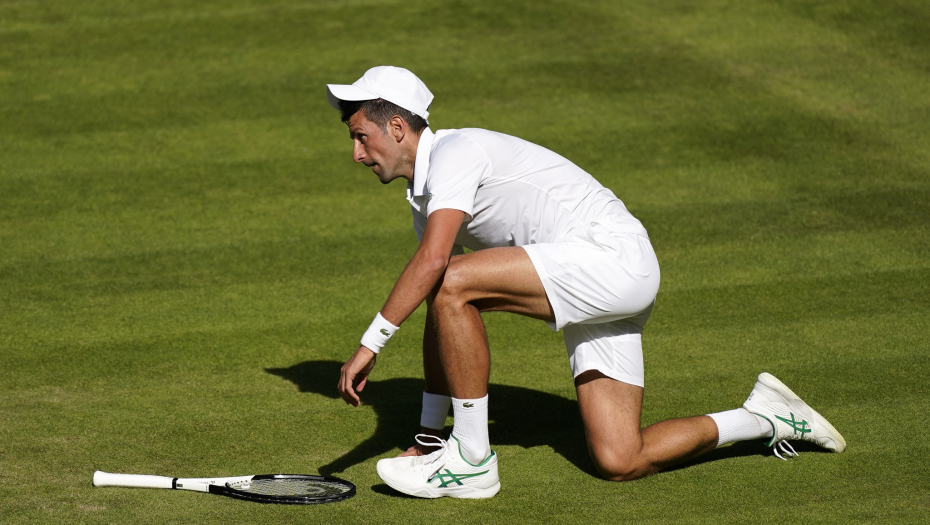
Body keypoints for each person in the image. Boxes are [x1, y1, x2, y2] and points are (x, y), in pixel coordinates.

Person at [328, 66, 846, 499]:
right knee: (621, 458)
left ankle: (471, 458)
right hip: (594, 275)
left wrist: (369, 345)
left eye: (361, 136)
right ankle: (766, 418)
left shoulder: (456, 153)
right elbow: (440, 306)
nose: (356, 153)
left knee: (451, 279)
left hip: (611, 259)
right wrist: (424, 431)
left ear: (397, 127)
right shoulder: (427, 198)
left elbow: (437, 268)